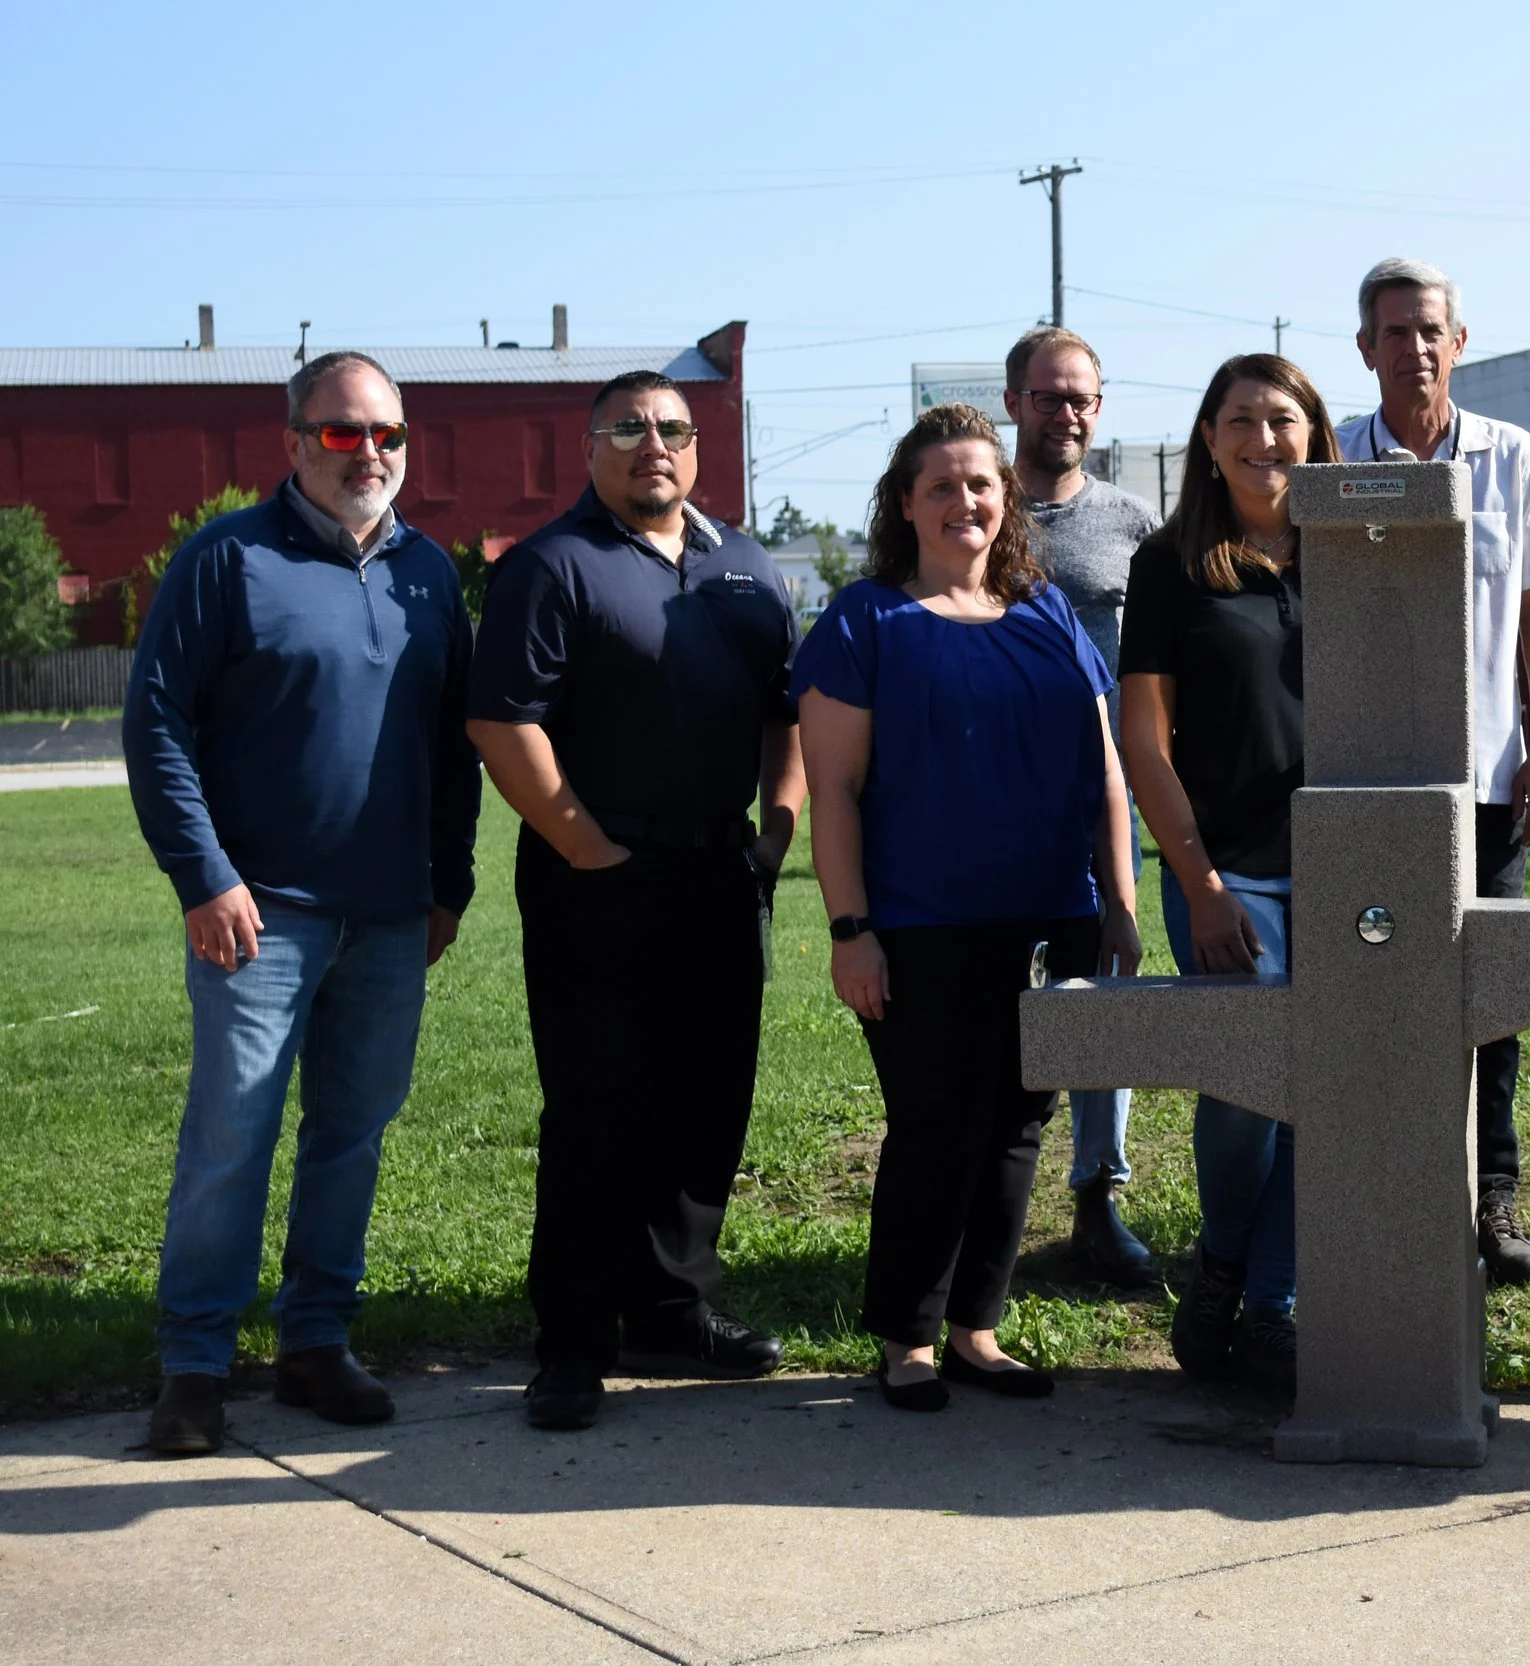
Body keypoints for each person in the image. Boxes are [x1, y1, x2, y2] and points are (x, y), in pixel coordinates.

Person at [125, 350, 479, 1455]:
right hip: (258, 910)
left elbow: (449, 747)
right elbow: (158, 724)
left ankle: (316, 1340)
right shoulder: (225, 558)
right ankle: (194, 1361)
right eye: (341, 432)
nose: (367, 452)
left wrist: (447, 882)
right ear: (291, 442)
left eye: (387, 434)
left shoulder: (428, 571)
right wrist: (205, 875)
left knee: (353, 1132)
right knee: (232, 1131)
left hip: (388, 912)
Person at [468, 370, 804, 1432]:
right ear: (591, 448)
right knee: (597, 1106)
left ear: (696, 448)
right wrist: (587, 846)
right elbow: (502, 723)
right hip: (594, 876)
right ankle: (572, 1339)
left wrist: (776, 833)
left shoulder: (746, 570)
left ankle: (673, 1307)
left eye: (671, 427)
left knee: (707, 1103)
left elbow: (787, 712)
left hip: (720, 871)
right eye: (628, 427)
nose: (652, 443)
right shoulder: (549, 566)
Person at [798, 403, 1139, 1412]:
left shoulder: (1047, 612)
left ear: (1006, 500)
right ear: (904, 503)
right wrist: (851, 930)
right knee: (935, 1125)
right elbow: (836, 793)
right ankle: (906, 1336)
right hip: (917, 925)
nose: (964, 500)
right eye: (940, 485)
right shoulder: (863, 618)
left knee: (1016, 1128)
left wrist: (1117, 903)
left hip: (1049, 917)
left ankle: (975, 1329)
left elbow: (1105, 767)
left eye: (980, 483)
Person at [1336, 257, 1530, 1286]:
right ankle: (1376, 1200)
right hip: (1360, 787)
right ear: (1366, 349)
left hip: (1486, 787)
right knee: (1368, 993)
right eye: (1395, 332)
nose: (1415, 348)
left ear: (1459, 340)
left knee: (1493, 994)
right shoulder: (1329, 455)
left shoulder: (1514, 459)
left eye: (1431, 329)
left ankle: (1491, 1202)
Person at [1124, 354, 1338, 1388]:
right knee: (1248, 1077)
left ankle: (1269, 1303)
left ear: (1315, 434)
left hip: (1349, 871)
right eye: (1241, 420)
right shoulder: (1169, 564)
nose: (1263, 439)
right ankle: (1220, 1256)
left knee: (1327, 1086)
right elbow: (1143, 739)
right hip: (1225, 867)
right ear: (1208, 438)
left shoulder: (1361, 556)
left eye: (1282, 419)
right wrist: (1199, 882)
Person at [1002, 325, 1162, 1288]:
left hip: (1103, 799)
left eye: (1082, 399)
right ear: (1014, 399)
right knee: (990, 1000)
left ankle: (1098, 1197)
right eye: (1048, 395)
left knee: (1104, 992)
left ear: (1097, 410)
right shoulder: (974, 506)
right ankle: (986, 1192)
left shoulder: (1135, 524)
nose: (1065, 413)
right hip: (987, 799)